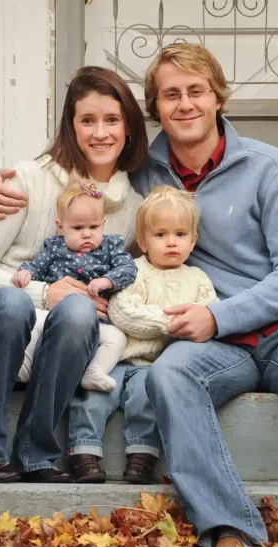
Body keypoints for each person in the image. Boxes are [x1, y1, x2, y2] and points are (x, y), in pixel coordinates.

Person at [0, 43, 278, 547]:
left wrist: (219, 314)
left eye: (196, 91)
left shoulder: (270, 167)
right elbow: (71, 181)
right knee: (169, 376)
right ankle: (228, 527)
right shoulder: (141, 168)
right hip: (199, 338)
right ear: (155, 107)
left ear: (217, 98)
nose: (184, 104)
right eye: (170, 95)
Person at [0, 66, 149, 483]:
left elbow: (122, 277)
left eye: (111, 119)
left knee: (78, 312)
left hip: (56, 351)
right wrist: (42, 292)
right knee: (13, 300)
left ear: (128, 126)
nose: (100, 132)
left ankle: (36, 454)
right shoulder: (25, 181)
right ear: (70, 128)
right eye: (87, 120)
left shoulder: (132, 208)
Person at [67, 185, 220, 484]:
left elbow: (205, 317)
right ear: (143, 241)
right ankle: (84, 453)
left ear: (194, 240)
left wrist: (187, 321)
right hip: (118, 358)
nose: (171, 242)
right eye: (161, 235)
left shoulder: (198, 278)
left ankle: (141, 458)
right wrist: (173, 322)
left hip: (156, 364)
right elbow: (124, 313)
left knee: (146, 400)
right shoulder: (131, 271)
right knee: (93, 398)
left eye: (180, 234)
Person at [11, 178, 139, 393]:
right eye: (78, 227)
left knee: (117, 339)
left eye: (94, 226)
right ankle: (23, 364)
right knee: (32, 319)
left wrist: (107, 280)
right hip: (52, 315)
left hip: (96, 322)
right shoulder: (54, 248)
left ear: (103, 223)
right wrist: (25, 273)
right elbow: (37, 266)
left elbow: (128, 268)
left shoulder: (110, 246)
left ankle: (94, 372)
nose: (87, 234)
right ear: (61, 227)